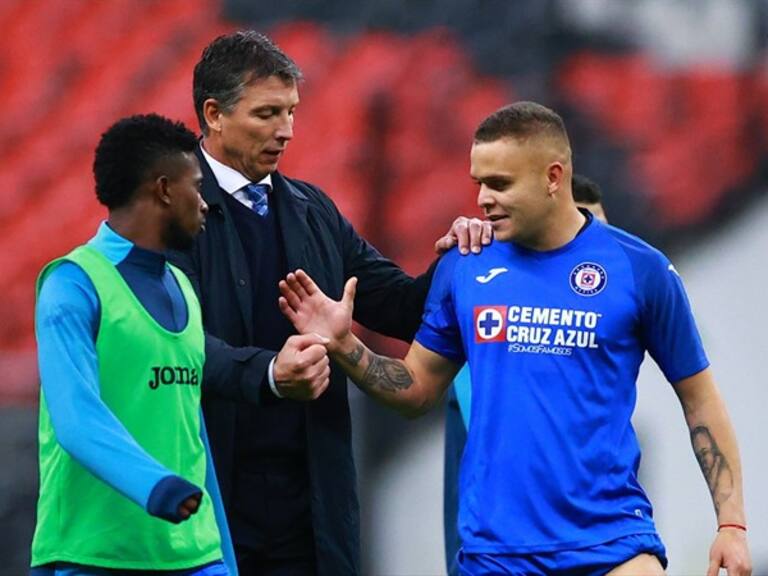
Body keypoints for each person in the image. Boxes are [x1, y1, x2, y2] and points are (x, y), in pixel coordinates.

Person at [277, 102, 752, 576]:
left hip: (612, 545)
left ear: (553, 177)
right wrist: (345, 346)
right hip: (496, 555)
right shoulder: (466, 265)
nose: (483, 199)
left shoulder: (640, 269)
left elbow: (700, 400)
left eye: (500, 184)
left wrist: (731, 525)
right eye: (478, 183)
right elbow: (416, 389)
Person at [167, 30, 489, 576]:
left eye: (291, 111)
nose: (286, 130)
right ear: (214, 114)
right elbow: (175, 348)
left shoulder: (311, 210)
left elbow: (402, 308)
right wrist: (269, 373)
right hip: (208, 503)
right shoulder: (172, 215)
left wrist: (458, 259)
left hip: (312, 509)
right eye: (268, 113)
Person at [31, 114, 235, 574]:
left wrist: (224, 553)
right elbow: (75, 417)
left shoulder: (183, 286)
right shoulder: (72, 284)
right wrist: (156, 485)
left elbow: (190, 431)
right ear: (163, 189)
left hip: (196, 555)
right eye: (196, 187)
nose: (204, 204)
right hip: (95, 555)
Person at [442, 173, 609, 575]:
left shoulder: (601, 338)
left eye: (605, 235)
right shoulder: (486, 355)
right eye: (583, 234)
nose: (599, 251)